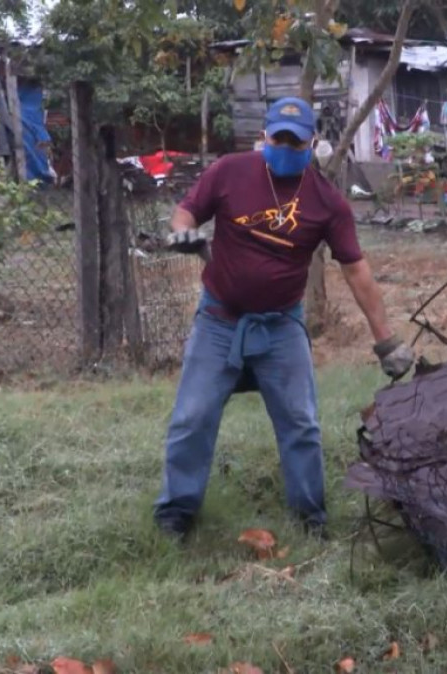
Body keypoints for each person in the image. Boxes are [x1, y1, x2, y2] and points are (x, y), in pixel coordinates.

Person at [154, 97, 415, 541]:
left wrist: (386, 341)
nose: (287, 148)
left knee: (300, 422)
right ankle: (176, 515)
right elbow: (186, 211)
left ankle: (310, 517)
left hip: (280, 327)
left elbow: (357, 271)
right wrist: (183, 232)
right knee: (192, 418)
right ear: (264, 138)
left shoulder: (327, 202)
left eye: (298, 143)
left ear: (313, 144)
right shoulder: (229, 172)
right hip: (219, 321)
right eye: (280, 139)